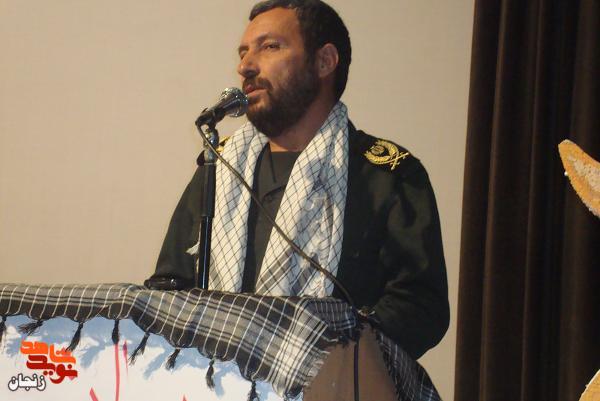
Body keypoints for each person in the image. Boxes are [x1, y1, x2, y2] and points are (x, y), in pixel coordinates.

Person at [149, 0, 449, 360]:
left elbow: (420, 307)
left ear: (324, 62)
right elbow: (169, 286)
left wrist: (337, 350)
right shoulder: (218, 167)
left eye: (269, 47)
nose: (245, 66)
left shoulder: (387, 176)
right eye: (243, 53)